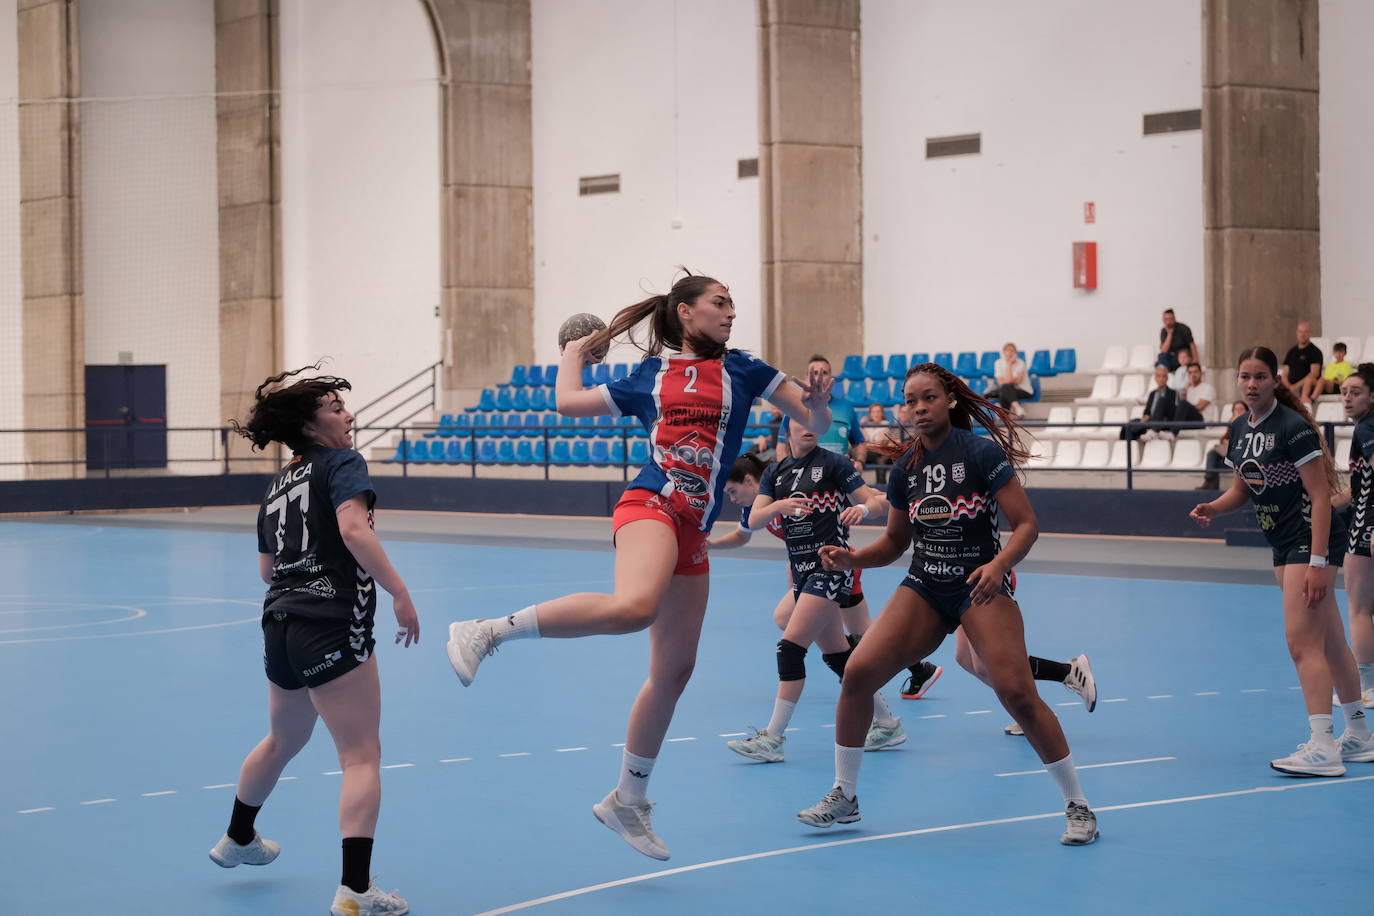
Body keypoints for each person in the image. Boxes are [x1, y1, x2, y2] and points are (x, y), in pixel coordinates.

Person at [445, 273, 833, 861]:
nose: (731, 312)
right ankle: (489, 630)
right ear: (686, 312)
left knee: (675, 670)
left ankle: (628, 799)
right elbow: (568, 403)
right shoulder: (651, 376)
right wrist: (573, 355)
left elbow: (819, 423)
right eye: (719, 303)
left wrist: (820, 398)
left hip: (694, 528)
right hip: (651, 501)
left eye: (732, 303)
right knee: (634, 607)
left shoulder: (746, 369)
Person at [796, 363, 1099, 845]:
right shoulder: (905, 470)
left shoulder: (980, 453)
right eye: (910, 399)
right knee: (857, 675)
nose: (919, 407)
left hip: (980, 586)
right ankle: (845, 796)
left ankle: (1078, 805)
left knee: (1017, 692)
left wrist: (998, 566)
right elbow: (895, 543)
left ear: (950, 400)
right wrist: (851, 558)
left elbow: (1027, 525)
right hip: (924, 585)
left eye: (929, 397)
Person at [213, 367, 419, 916]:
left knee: (284, 738)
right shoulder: (342, 463)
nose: (348, 415)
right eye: (334, 408)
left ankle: (237, 840)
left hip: (279, 623)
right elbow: (355, 530)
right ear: (310, 425)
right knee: (361, 756)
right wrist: (398, 591)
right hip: (329, 622)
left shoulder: (277, 484)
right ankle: (355, 890)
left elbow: (266, 569)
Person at [1190, 347, 1372, 776]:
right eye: (1245, 376)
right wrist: (1215, 508)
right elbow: (1243, 488)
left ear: (1275, 380)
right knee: (1328, 640)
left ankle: (1322, 745)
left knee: (1300, 643)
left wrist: (1319, 559)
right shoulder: (1238, 429)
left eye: (1260, 376)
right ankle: (1360, 736)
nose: (1251, 384)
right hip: (1281, 544)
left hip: (1307, 542)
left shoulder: (1293, 429)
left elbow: (1321, 496)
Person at [721, 421, 907, 763]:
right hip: (804, 573)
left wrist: (864, 508)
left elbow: (872, 500)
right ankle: (887, 723)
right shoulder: (775, 473)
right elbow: (755, 520)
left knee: (790, 649)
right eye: (799, 420)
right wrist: (777, 506)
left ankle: (773, 738)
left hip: (832, 565)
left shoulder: (834, 463)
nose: (808, 426)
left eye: (813, 420)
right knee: (839, 657)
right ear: (787, 430)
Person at [708, 454, 942, 702]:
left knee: (788, 619)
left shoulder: (792, 487)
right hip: (812, 570)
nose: (732, 499)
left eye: (733, 492)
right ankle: (917, 670)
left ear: (748, 481)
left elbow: (873, 498)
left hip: (836, 564)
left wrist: (874, 504)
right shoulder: (756, 509)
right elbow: (741, 536)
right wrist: (710, 545)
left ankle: (853, 668)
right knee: (865, 634)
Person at [1335, 363, 1374, 707]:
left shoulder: (1367, 430)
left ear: (1372, 397)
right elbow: (1359, 486)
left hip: (1366, 527)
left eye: (1356, 392)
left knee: (1360, 608)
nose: (1347, 398)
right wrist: (1324, 505)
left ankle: (1367, 687)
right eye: (1344, 392)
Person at [777, 354, 866, 466]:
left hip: (839, 475)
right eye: (814, 373)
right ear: (806, 377)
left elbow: (859, 443)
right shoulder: (793, 407)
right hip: (805, 477)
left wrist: (860, 463)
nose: (819, 377)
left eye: (824, 373)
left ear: (831, 378)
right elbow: (781, 445)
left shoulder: (846, 407)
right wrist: (786, 475)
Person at [1120, 365, 1178, 441]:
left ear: (1167, 378)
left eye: (1164, 376)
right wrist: (1145, 415)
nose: (1161, 379)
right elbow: (1147, 409)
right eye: (1159, 376)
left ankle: (1145, 431)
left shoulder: (1173, 393)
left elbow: (1172, 411)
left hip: (1162, 421)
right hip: (1150, 420)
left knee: (1136, 427)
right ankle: (1129, 448)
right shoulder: (1152, 394)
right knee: (1128, 425)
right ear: (1155, 378)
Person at [1199, 400, 1247, 490]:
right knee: (1213, 455)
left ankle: (1209, 482)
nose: (1238, 411)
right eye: (1236, 409)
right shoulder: (1231, 422)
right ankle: (1211, 484)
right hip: (1231, 456)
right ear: (1233, 412)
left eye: (1241, 409)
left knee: (1213, 458)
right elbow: (1223, 438)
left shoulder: (1250, 423)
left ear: (1246, 411)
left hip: (1241, 459)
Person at [1281, 321, 1323, 405]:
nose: (1302, 334)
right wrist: (1289, 387)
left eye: (1305, 332)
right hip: (1290, 388)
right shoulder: (1291, 352)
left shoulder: (1315, 351)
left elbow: (1314, 374)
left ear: (1310, 333)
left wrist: (1295, 386)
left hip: (1306, 387)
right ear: (1297, 333)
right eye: (1300, 331)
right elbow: (1284, 373)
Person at [993, 342, 1032, 417]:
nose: (1009, 353)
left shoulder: (1021, 363)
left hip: (1024, 391)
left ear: (1015, 353)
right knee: (1005, 389)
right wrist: (1009, 364)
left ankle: (1004, 416)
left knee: (1005, 389)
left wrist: (1009, 364)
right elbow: (1002, 382)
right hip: (1007, 391)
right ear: (1003, 352)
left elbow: (1012, 381)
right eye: (1007, 350)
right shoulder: (998, 363)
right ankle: (1018, 408)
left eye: (1012, 351)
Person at [1173, 363, 1217, 429]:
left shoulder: (1207, 388)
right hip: (1189, 421)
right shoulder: (1188, 389)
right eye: (1190, 373)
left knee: (1183, 404)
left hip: (1202, 422)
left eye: (1195, 372)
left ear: (1201, 373)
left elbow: (1199, 407)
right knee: (1164, 402)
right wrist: (1185, 389)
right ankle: (1155, 430)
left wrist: (1184, 410)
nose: (1193, 375)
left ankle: (1172, 433)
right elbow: (1181, 408)